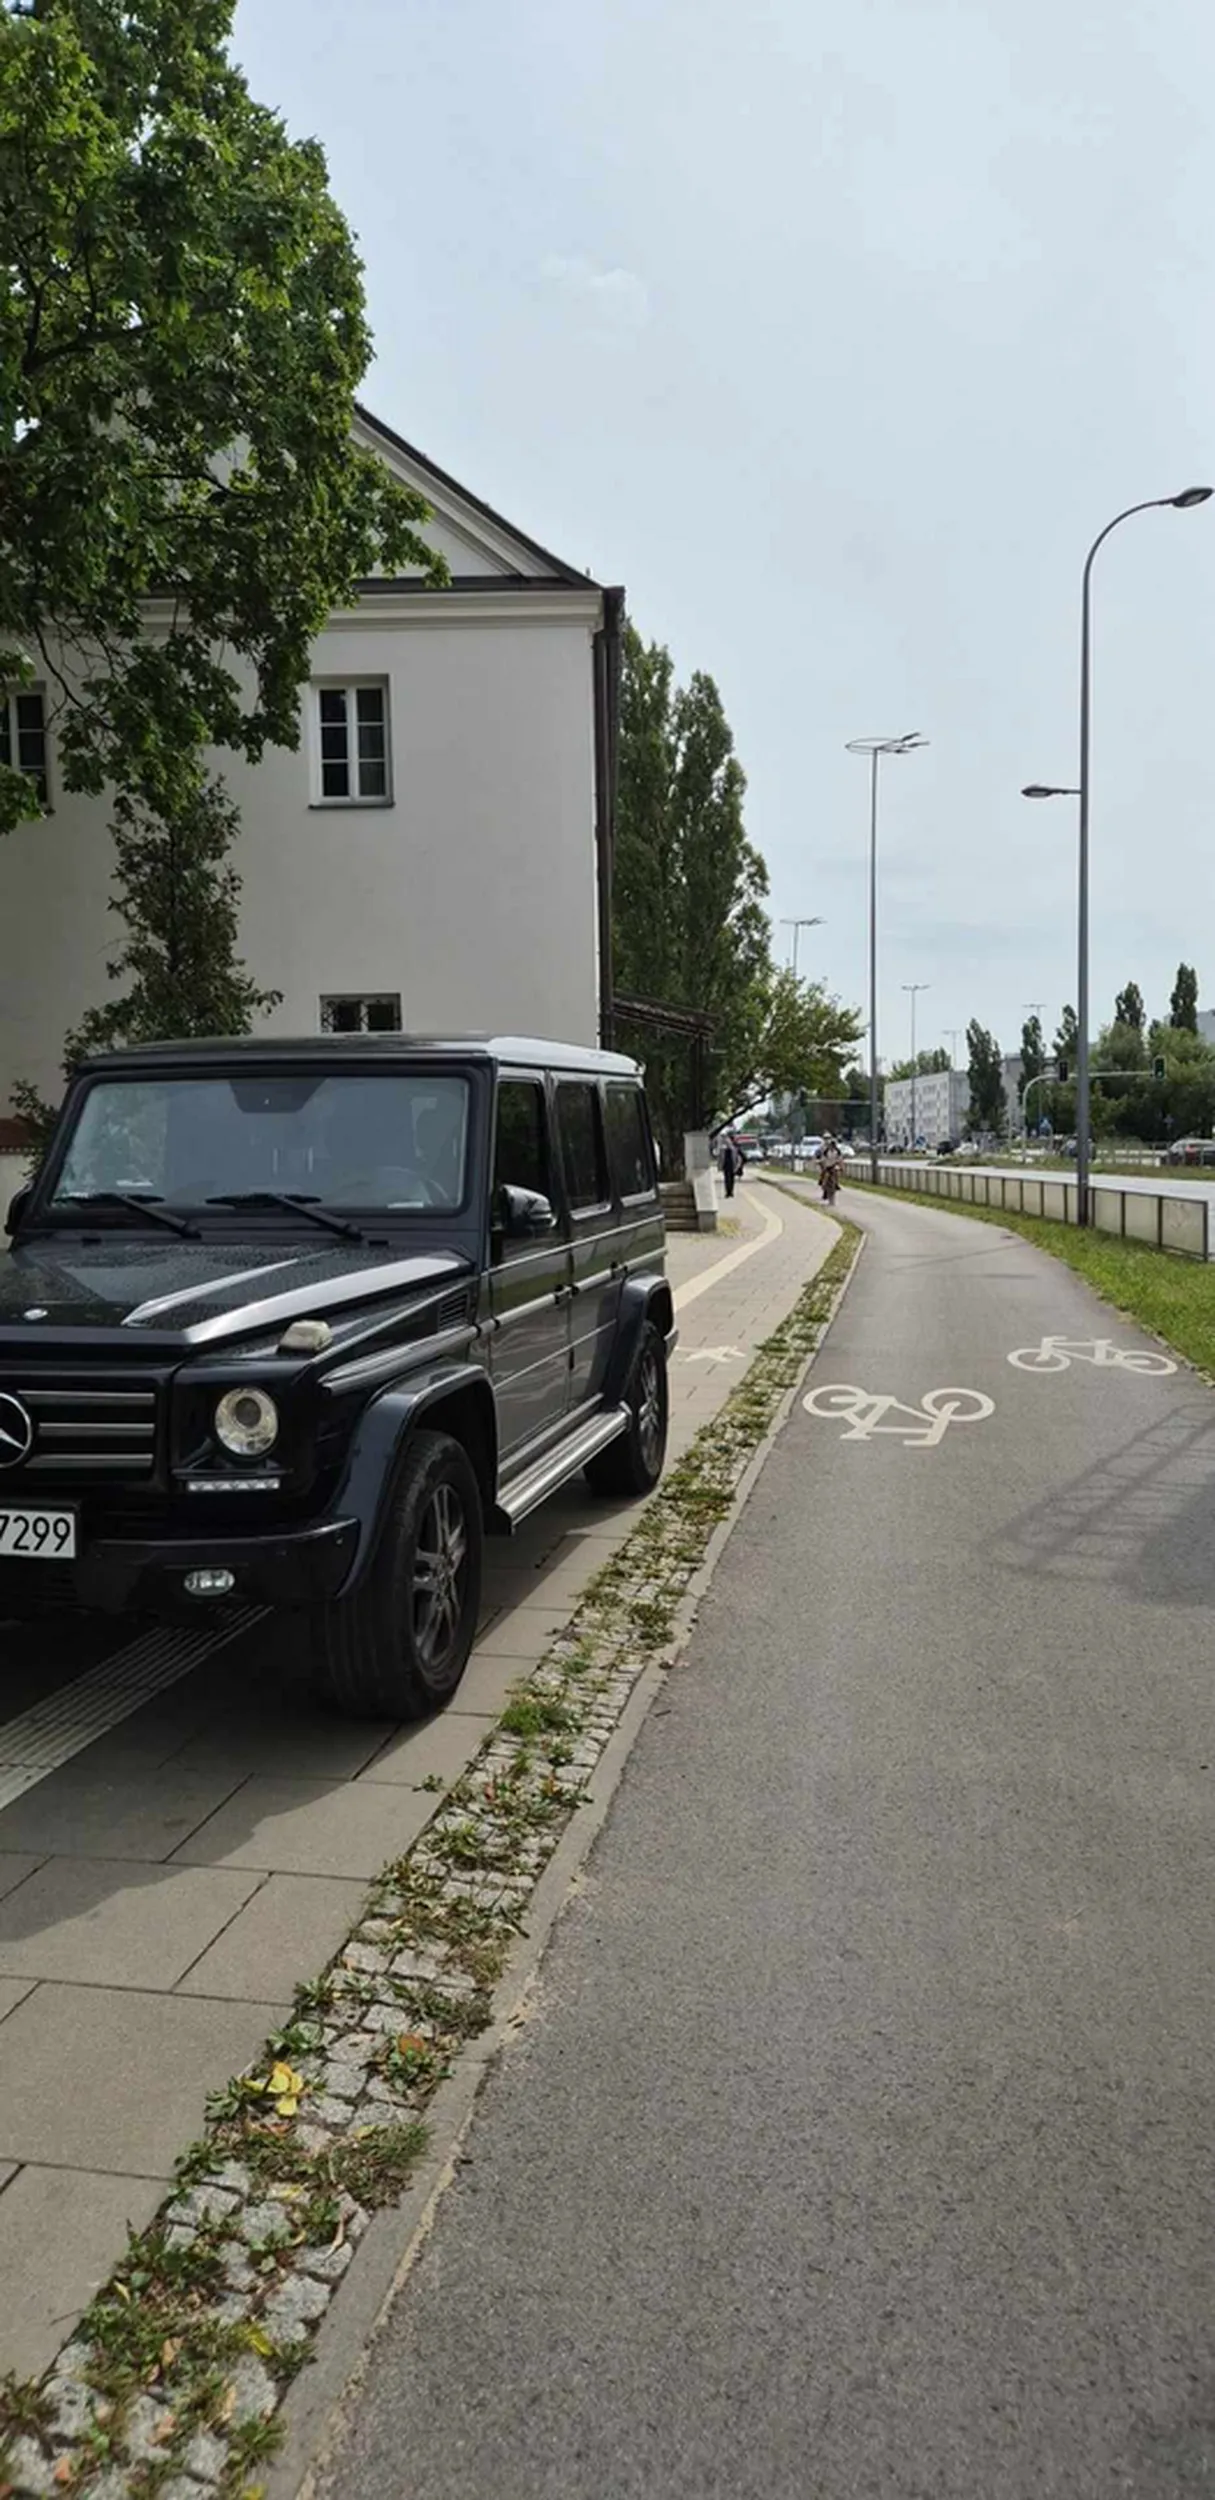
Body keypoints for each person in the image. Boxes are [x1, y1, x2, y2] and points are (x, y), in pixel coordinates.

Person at [818, 1132, 843, 1204]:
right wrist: (820, 1161)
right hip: (827, 1166)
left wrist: (841, 1166)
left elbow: (840, 1159)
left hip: (834, 1166)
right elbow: (821, 1157)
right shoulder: (823, 1148)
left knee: (836, 1174)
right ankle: (823, 1184)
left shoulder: (837, 1151)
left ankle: (836, 1184)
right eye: (825, 1138)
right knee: (824, 1175)